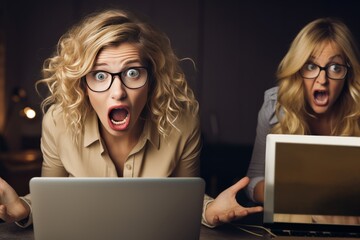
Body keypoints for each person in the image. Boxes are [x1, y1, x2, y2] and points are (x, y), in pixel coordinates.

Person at [0, 9, 262, 228]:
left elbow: (188, 202)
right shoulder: (58, 122)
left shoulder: (182, 122)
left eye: (133, 73)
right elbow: (50, 201)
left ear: (153, 79)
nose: (118, 93)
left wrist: (210, 211)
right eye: (100, 76)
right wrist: (24, 207)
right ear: (83, 85)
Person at [246, 18, 360, 206]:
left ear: (348, 73)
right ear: (298, 70)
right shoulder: (275, 106)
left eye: (335, 67)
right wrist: (286, 194)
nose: (322, 79)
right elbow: (254, 179)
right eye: (311, 66)